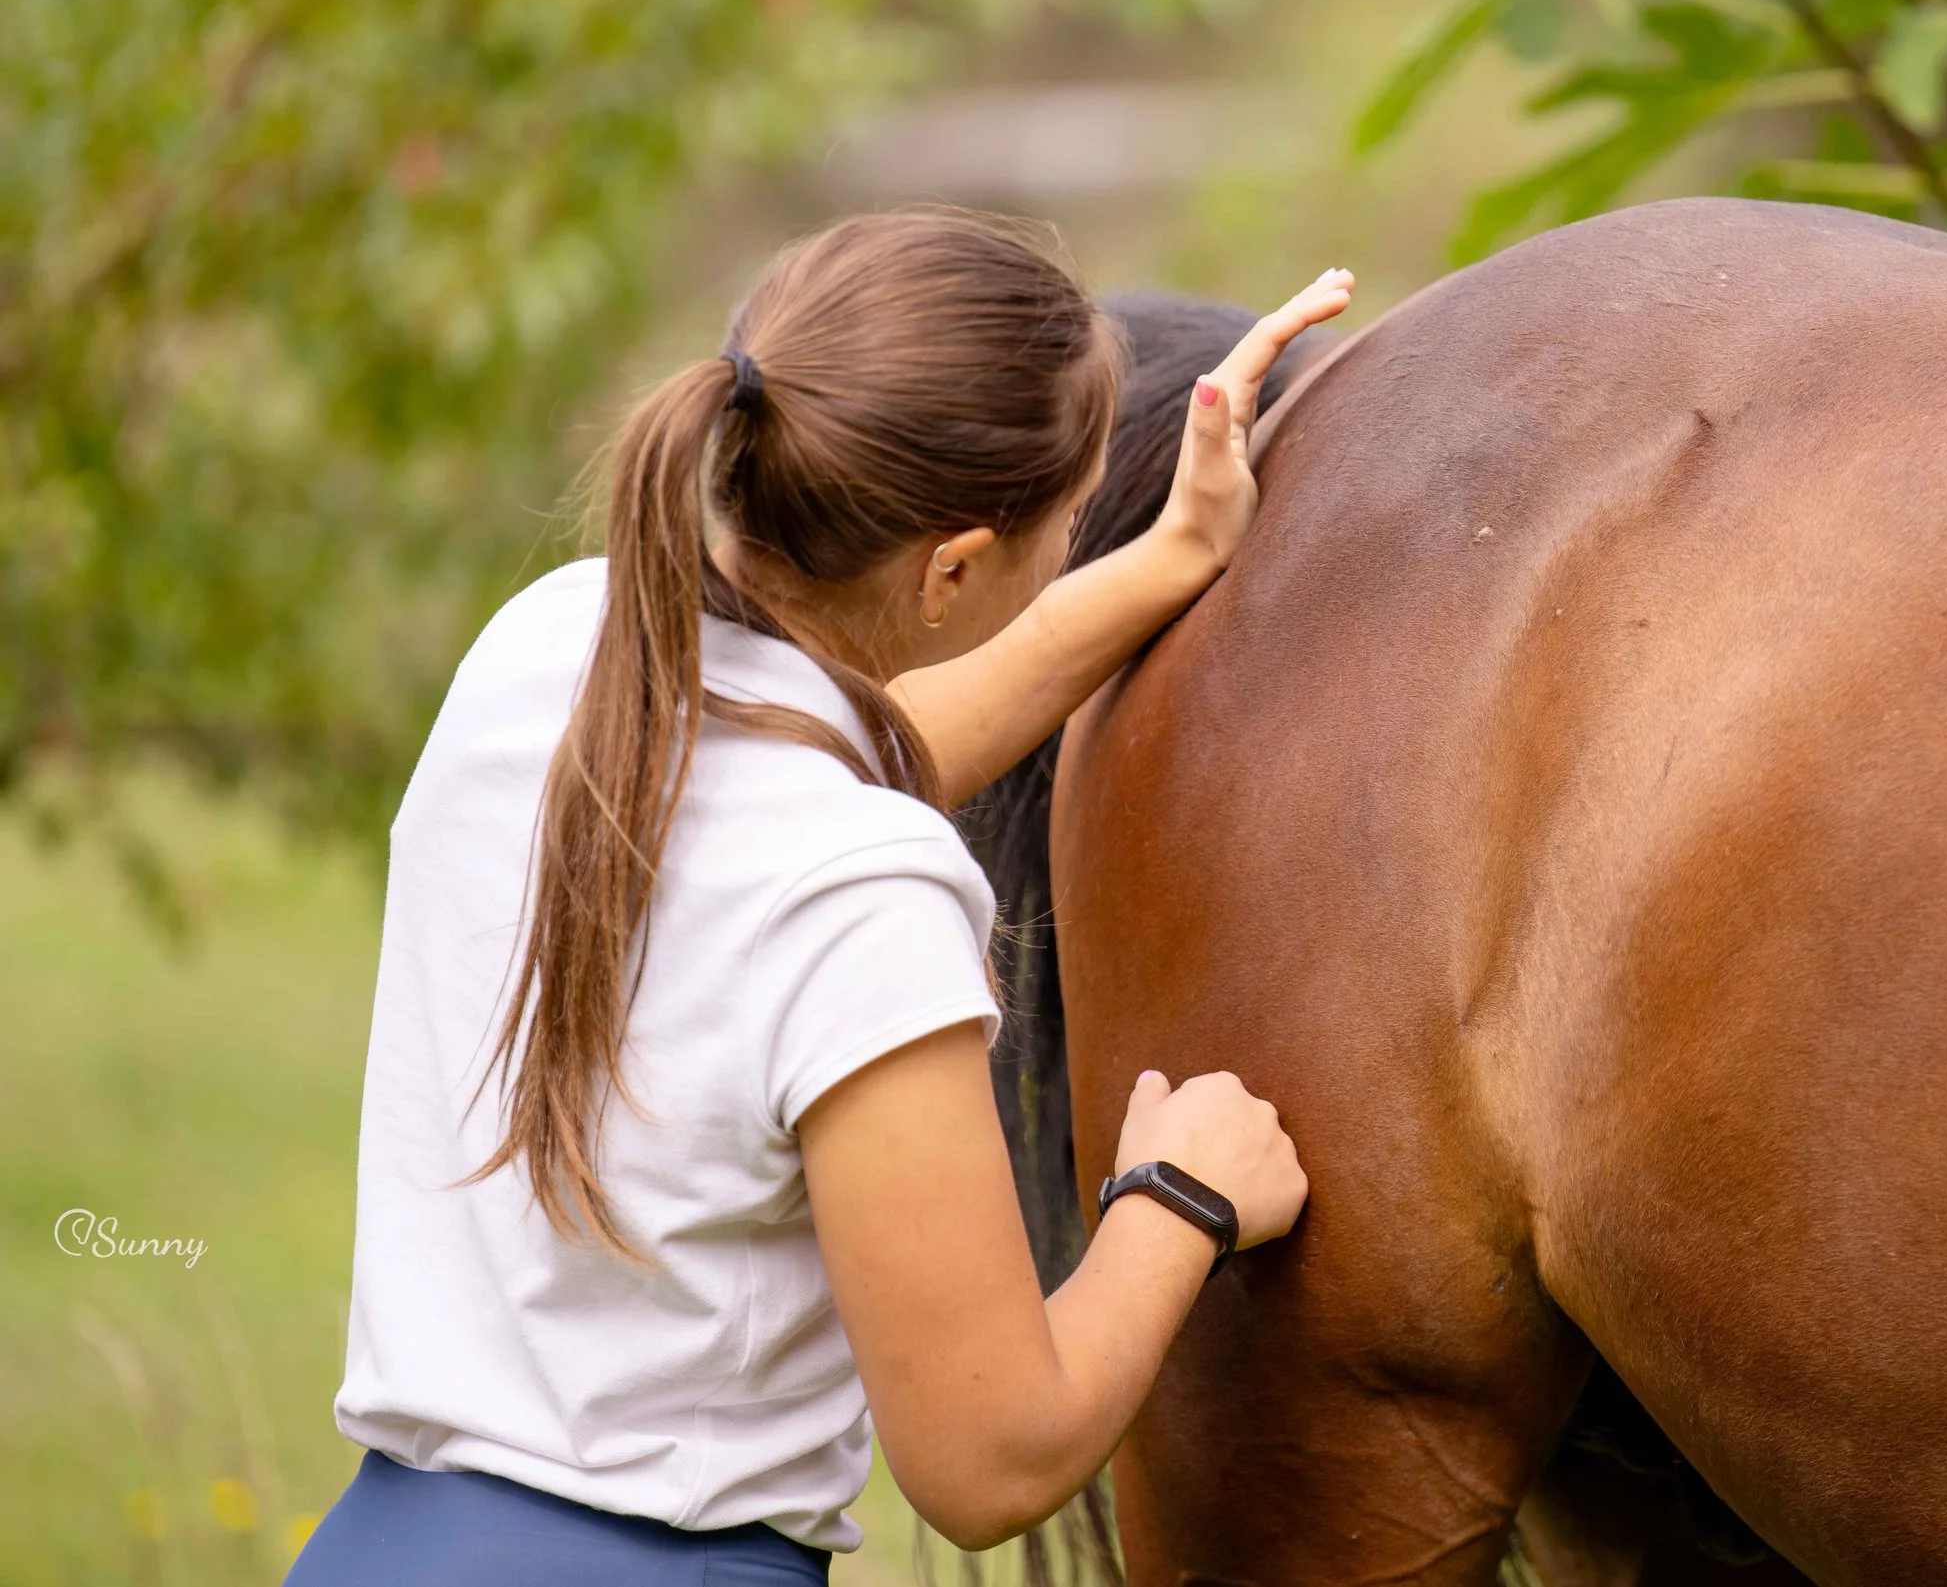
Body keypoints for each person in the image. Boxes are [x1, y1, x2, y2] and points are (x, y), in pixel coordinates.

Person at [287, 211, 1350, 1585]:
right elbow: (991, 1460)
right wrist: (1180, 1197)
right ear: (954, 569)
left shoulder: (555, 647)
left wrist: (1162, 558)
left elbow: (853, 759)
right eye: (1075, 523)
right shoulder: (866, 899)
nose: (1074, 545)